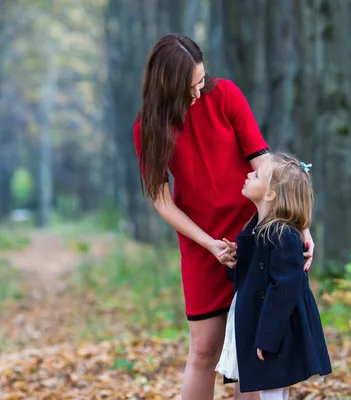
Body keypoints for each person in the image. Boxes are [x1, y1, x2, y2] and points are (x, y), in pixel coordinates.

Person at [132, 34, 315, 400]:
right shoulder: (147, 130)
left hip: (255, 237)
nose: (198, 93)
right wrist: (208, 244)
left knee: (250, 349)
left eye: (201, 81)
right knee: (203, 350)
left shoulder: (226, 94)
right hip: (202, 243)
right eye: (190, 87)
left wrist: (298, 224)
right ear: (167, 85)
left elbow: (265, 162)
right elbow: (161, 199)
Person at [216, 153, 332, 400]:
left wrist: (268, 337)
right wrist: (236, 261)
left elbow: (284, 288)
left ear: (270, 194)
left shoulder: (283, 234)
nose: (249, 173)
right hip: (260, 320)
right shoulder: (257, 227)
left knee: (273, 390)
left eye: (257, 175)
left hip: (277, 326)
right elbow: (251, 278)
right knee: (271, 389)